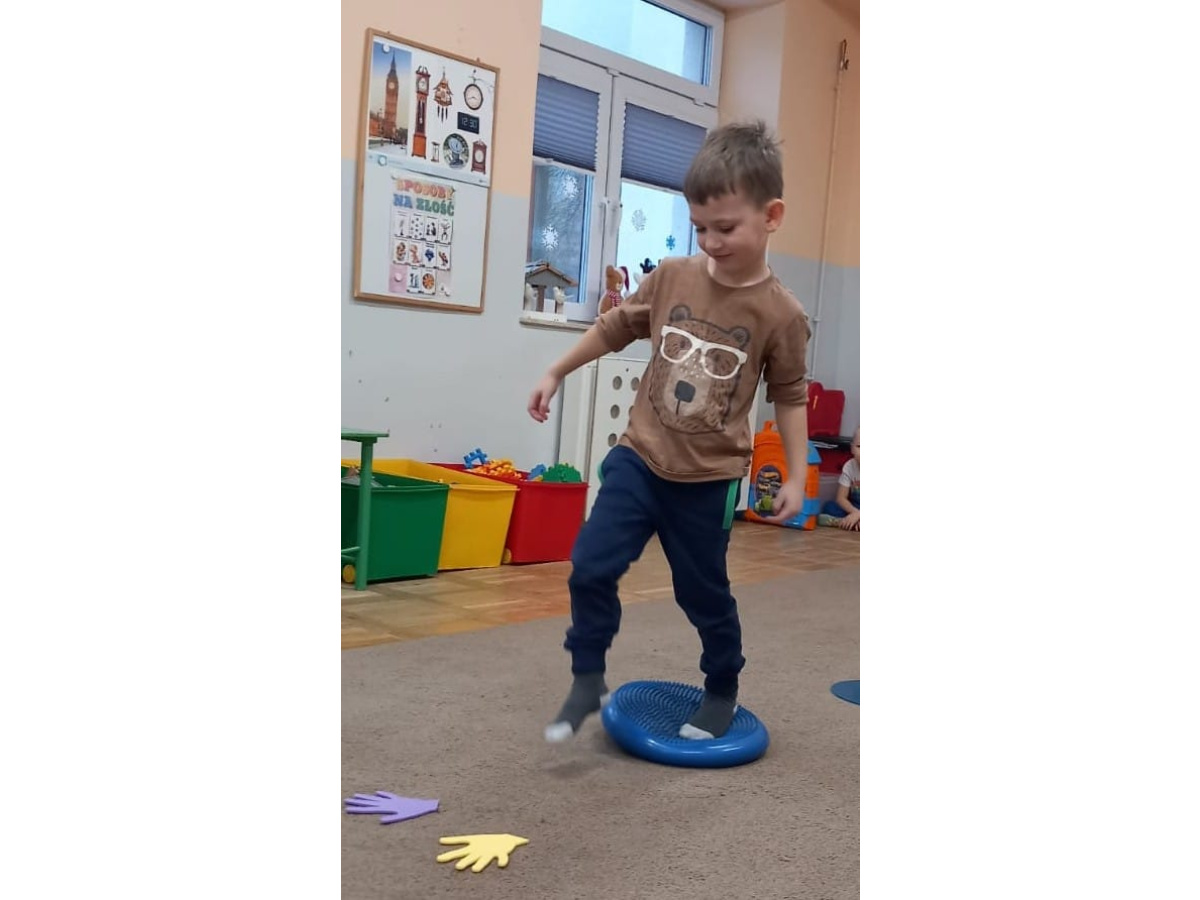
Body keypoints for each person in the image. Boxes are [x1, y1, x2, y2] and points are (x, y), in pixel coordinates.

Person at [527, 120, 812, 743]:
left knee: (701, 594)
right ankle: (587, 676)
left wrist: (796, 474)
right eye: (700, 227)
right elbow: (613, 329)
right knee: (590, 566)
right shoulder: (673, 277)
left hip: (708, 481)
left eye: (725, 228)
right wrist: (556, 370)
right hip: (640, 457)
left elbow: (790, 397)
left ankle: (722, 685)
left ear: (771, 216)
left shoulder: (782, 313)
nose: (710, 241)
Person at [818, 427, 860, 530]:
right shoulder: (849, 466)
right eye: (859, 446)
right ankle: (850, 522)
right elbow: (841, 498)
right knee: (829, 507)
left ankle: (845, 522)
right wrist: (855, 512)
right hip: (854, 506)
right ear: (852, 448)